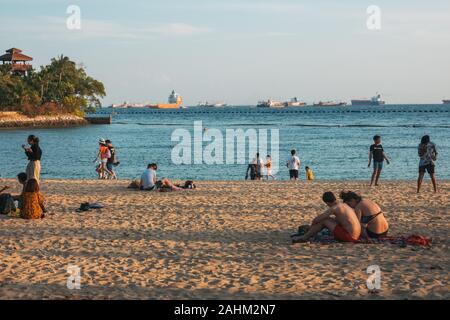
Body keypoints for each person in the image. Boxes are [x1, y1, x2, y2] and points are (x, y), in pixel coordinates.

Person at [293, 192, 361, 243]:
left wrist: (311, 227)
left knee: (324, 220)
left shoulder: (335, 208)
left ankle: (305, 237)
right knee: (329, 219)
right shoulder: (344, 205)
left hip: (349, 237)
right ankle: (308, 234)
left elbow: (317, 220)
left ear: (327, 203)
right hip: (356, 235)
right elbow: (341, 221)